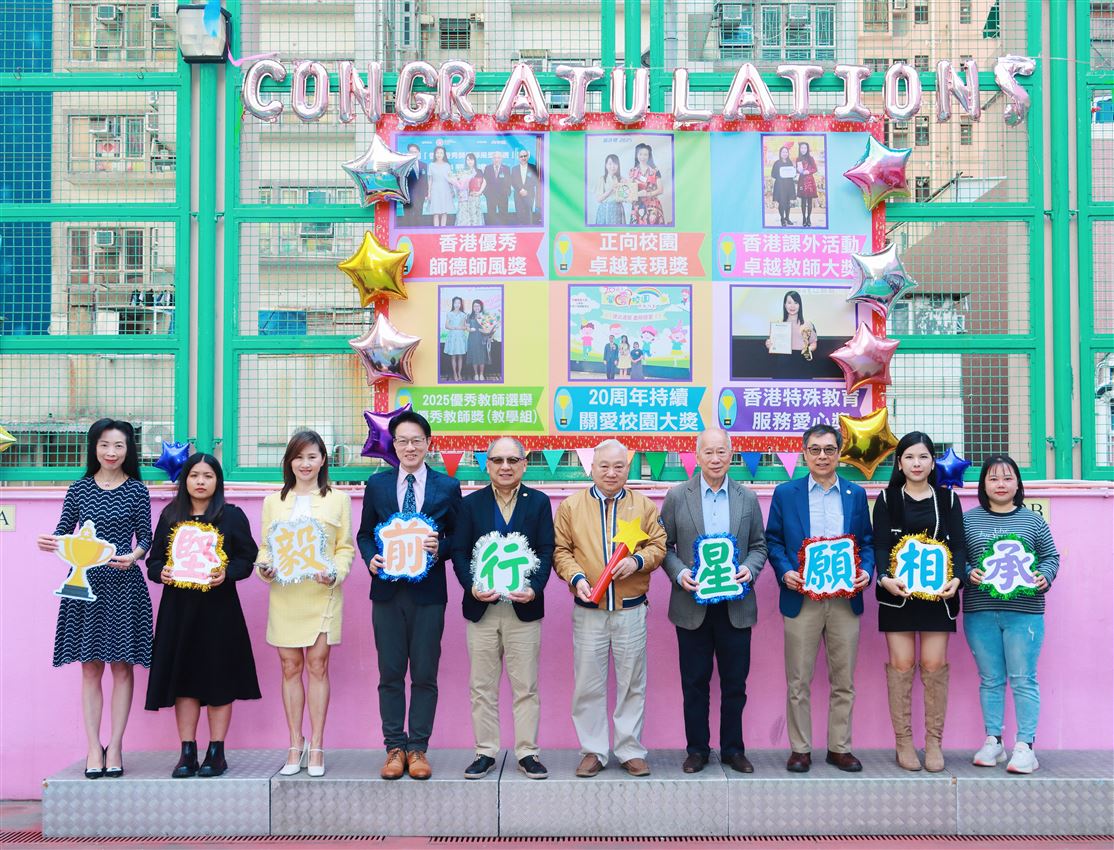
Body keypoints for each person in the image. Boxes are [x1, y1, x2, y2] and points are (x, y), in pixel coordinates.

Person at [37, 419, 153, 779]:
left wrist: (133, 557)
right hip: (84, 585)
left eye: (119, 445)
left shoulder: (137, 490)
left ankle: (115, 745)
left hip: (123, 584)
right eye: (104, 445)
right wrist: (50, 542)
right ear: (94, 447)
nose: (111, 452)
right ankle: (93, 747)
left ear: (128, 450)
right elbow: (63, 531)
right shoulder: (79, 489)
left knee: (122, 667)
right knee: (89, 667)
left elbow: (145, 539)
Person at [357, 410, 462, 781]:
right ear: (394, 445)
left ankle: (417, 748)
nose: (410, 447)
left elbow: (459, 537)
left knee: (424, 673)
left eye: (417, 440)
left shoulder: (447, 486)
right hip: (387, 593)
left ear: (428, 444)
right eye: (402, 440)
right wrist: (371, 559)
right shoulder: (378, 485)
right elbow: (365, 534)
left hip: (429, 595)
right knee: (390, 673)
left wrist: (440, 547)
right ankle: (394, 748)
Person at [553, 439, 666, 778]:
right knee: (588, 684)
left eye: (619, 466)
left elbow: (659, 545)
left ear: (628, 469)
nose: (611, 472)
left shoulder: (643, 506)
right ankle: (593, 751)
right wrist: (576, 577)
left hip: (631, 609)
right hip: (589, 609)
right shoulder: (572, 506)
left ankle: (630, 750)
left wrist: (637, 561)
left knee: (632, 682)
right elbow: (561, 551)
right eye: (604, 466)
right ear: (591, 468)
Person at [765, 424, 874, 773]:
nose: (822, 456)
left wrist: (866, 571)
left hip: (844, 598)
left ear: (839, 453)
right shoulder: (786, 493)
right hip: (802, 598)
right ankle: (800, 749)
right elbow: (773, 540)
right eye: (815, 450)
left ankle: (839, 748)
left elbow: (867, 543)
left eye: (829, 449)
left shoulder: (855, 494)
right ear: (804, 453)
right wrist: (785, 572)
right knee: (798, 679)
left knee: (844, 680)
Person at [146, 453, 260, 778]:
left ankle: (216, 752)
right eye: (194, 475)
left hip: (219, 612)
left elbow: (247, 558)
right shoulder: (171, 515)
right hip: (178, 612)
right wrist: (161, 572)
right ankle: (187, 752)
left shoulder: (231, 516)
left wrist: (228, 573)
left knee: (219, 678)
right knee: (184, 680)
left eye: (208, 476)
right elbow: (154, 561)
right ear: (185, 480)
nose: (200, 481)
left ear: (217, 482)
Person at [660, 428, 767, 774]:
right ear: (697, 456)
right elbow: (664, 546)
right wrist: (679, 574)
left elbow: (759, 546)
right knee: (694, 684)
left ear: (731, 454)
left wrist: (749, 569)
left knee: (735, 684)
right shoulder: (678, 496)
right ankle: (697, 750)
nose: (716, 459)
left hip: (736, 607)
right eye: (708, 452)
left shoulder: (747, 498)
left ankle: (734, 749)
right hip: (692, 606)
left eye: (721, 452)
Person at [451, 438, 555, 780]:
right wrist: (471, 586)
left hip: (523, 609)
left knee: (526, 686)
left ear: (524, 464)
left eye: (512, 460)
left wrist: (534, 587)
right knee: (482, 685)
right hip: (481, 609)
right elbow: (459, 551)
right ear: (488, 465)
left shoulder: (538, 502)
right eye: (497, 460)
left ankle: (527, 753)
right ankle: (485, 752)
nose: (505, 466)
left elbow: (547, 549)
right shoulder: (471, 503)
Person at [256, 430, 354, 778]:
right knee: (289, 667)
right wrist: (264, 568)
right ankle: (295, 743)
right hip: (286, 596)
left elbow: (345, 547)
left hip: (322, 593)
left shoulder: (338, 499)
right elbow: (266, 548)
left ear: (323, 460)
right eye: (298, 457)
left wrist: (335, 573)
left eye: (312, 456)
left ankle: (318, 744)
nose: (305, 464)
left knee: (317, 666)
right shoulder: (273, 502)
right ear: (289, 461)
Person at [961, 455, 1059, 774]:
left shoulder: (1033, 521)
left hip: (1025, 613)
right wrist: (968, 572)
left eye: (1007, 478)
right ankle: (994, 741)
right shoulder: (968, 521)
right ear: (983, 484)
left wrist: (1045, 575)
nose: (1000, 484)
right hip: (980, 610)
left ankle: (1025, 746)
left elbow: (1051, 556)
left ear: (1018, 483)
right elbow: (957, 559)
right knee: (990, 679)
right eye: (993, 478)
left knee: (1023, 678)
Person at [872, 432, 964, 772]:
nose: (916, 463)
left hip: (938, 598)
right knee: (901, 666)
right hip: (898, 597)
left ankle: (934, 742)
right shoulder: (887, 499)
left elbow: (959, 546)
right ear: (899, 463)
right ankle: (904, 741)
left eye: (923, 457)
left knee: (934, 665)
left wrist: (958, 578)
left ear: (932, 463)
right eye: (909, 457)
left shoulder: (948, 499)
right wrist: (884, 577)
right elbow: (880, 544)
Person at [765, 290, 818, 358]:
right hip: (783, 360)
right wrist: (769, 344)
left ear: (799, 305)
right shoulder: (778, 324)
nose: (792, 306)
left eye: (796, 303)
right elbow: (772, 344)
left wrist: (808, 349)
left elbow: (813, 343)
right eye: (789, 303)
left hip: (801, 359)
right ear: (785, 305)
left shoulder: (807, 324)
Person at [629, 143, 665, 226]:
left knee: (653, 231)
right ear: (636, 155)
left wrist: (647, 194)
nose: (643, 157)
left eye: (645, 154)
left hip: (652, 207)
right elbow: (629, 191)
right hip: (637, 206)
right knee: (637, 232)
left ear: (649, 156)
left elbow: (660, 190)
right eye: (640, 154)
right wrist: (637, 194)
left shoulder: (655, 171)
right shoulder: (632, 171)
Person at [426, 145, 456, 228]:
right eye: (437, 153)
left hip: (445, 189)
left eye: (441, 153)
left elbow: (450, 179)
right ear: (435, 154)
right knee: (436, 212)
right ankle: (436, 230)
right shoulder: (431, 165)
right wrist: (429, 192)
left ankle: (443, 229)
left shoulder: (447, 165)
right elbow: (430, 180)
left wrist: (452, 190)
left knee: (444, 212)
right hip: (435, 189)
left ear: (444, 154)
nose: (439, 155)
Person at [454, 153, 486, 227]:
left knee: (475, 215)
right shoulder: (463, 171)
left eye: (471, 159)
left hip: (475, 197)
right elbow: (459, 184)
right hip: (465, 199)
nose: (469, 161)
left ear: (474, 161)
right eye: (468, 160)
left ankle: (476, 231)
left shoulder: (479, 171)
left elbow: (484, 182)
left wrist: (479, 192)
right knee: (465, 217)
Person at [466, 299, 494, 382]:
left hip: (482, 339)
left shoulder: (485, 316)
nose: (476, 307)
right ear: (472, 307)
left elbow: (488, 327)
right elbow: (467, 328)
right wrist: (470, 330)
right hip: (473, 338)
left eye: (478, 306)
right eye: (475, 306)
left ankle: (481, 374)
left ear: (481, 306)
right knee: (474, 356)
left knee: (482, 356)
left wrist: (489, 334)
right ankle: (476, 374)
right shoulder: (469, 316)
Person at [401, 143, 429, 225]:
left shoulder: (424, 165)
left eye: (415, 152)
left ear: (419, 153)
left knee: (419, 216)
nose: (413, 154)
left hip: (420, 195)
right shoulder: (404, 165)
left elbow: (425, 180)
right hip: (407, 196)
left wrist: (426, 193)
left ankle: (418, 232)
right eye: (411, 152)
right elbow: (401, 180)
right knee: (408, 217)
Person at [509, 149, 540, 225]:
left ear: (528, 156)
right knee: (519, 214)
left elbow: (535, 181)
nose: (523, 158)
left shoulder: (533, 167)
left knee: (528, 215)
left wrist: (526, 191)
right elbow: (513, 181)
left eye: (525, 156)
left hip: (529, 194)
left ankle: (529, 230)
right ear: (518, 158)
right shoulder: (514, 169)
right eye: (521, 156)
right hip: (518, 194)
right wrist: (520, 190)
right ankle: (521, 230)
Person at [594, 154, 626, 225]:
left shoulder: (622, 179)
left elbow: (625, 198)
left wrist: (627, 187)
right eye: (610, 164)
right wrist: (611, 190)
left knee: (617, 230)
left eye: (615, 164)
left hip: (617, 210)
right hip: (605, 210)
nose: (612, 166)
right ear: (606, 165)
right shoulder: (602, 179)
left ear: (618, 165)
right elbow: (598, 199)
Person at [443, 296, 469, 382]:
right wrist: (454, 327)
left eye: (459, 303)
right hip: (453, 337)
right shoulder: (449, 314)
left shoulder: (463, 315)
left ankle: (459, 373)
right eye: (455, 303)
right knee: (453, 356)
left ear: (461, 304)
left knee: (460, 356)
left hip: (461, 337)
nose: (457, 304)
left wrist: (462, 327)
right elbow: (446, 326)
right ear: (453, 304)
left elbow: (465, 327)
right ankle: (455, 374)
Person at [482, 151, 512, 226]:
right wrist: (486, 194)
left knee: (504, 216)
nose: (496, 159)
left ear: (501, 159)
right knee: (491, 216)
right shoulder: (487, 168)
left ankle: (503, 231)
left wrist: (507, 193)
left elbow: (509, 182)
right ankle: (491, 230)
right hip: (491, 197)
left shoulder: (506, 168)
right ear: (492, 159)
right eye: (495, 158)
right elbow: (484, 181)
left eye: (498, 158)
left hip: (503, 196)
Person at [771, 145, 797, 227]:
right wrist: (781, 175)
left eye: (786, 152)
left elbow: (793, 174)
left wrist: (794, 170)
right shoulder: (777, 163)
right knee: (782, 203)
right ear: (780, 153)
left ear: (788, 153)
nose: (785, 153)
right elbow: (773, 174)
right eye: (783, 152)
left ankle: (787, 218)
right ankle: (782, 219)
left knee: (788, 203)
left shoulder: (790, 162)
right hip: (780, 185)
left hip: (789, 185)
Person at [795, 142, 819, 227]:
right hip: (801, 180)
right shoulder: (798, 159)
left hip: (809, 181)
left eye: (805, 148)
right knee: (803, 201)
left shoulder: (810, 158)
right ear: (799, 149)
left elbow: (815, 169)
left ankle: (808, 218)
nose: (803, 150)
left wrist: (808, 171)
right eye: (802, 148)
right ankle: (804, 218)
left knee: (809, 201)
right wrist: (797, 170)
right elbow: (797, 170)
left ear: (807, 149)